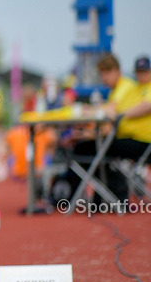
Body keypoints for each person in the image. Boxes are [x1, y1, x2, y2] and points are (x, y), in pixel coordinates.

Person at [60, 54, 151, 204]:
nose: (104, 78)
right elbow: (108, 122)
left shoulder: (127, 86)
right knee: (87, 147)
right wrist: (83, 133)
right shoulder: (133, 88)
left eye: (107, 73)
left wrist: (88, 112)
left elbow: (111, 114)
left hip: (141, 143)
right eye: (138, 72)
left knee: (86, 149)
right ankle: (105, 197)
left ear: (117, 71)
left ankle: (106, 197)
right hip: (130, 139)